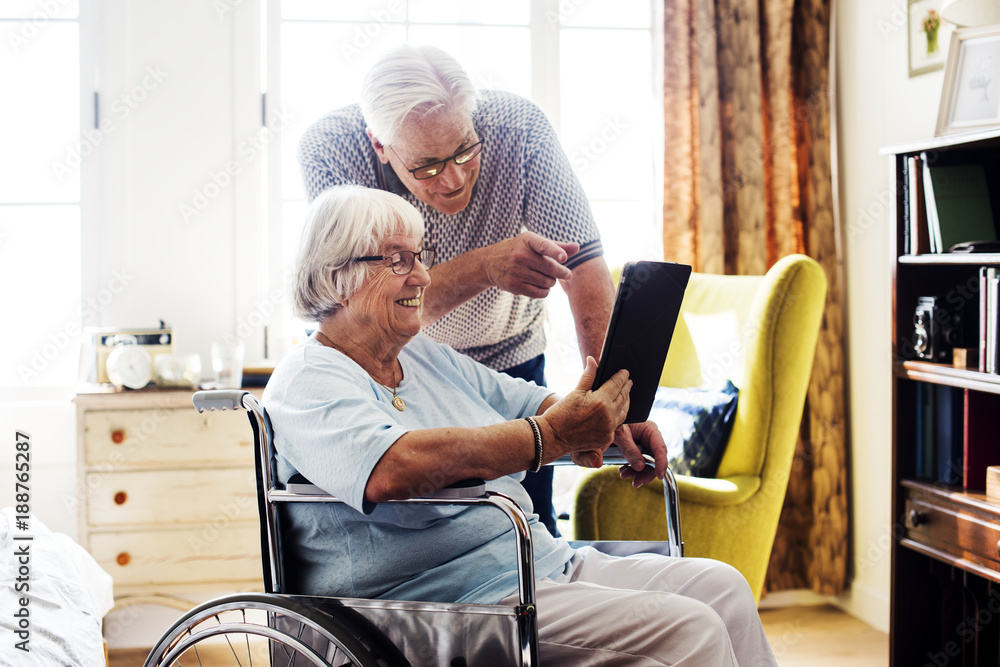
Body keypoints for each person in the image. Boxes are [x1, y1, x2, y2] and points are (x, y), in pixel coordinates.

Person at [263, 185, 777, 665]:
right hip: (434, 603)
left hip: (532, 564)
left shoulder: (422, 356)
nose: (421, 276)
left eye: (419, 256)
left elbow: (527, 400)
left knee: (722, 587)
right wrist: (553, 437)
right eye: (398, 260)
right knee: (688, 628)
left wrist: (605, 423)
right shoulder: (308, 379)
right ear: (335, 277)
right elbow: (392, 467)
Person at [297, 44, 617, 537]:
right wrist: (484, 266)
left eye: (466, 150)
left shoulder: (519, 128)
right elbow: (365, 302)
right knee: (429, 529)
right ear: (379, 146)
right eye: (426, 166)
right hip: (404, 370)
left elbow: (584, 263)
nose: (454, 178)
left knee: (532, 532)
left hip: (509, 359)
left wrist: (609, 401)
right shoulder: (333, 150)